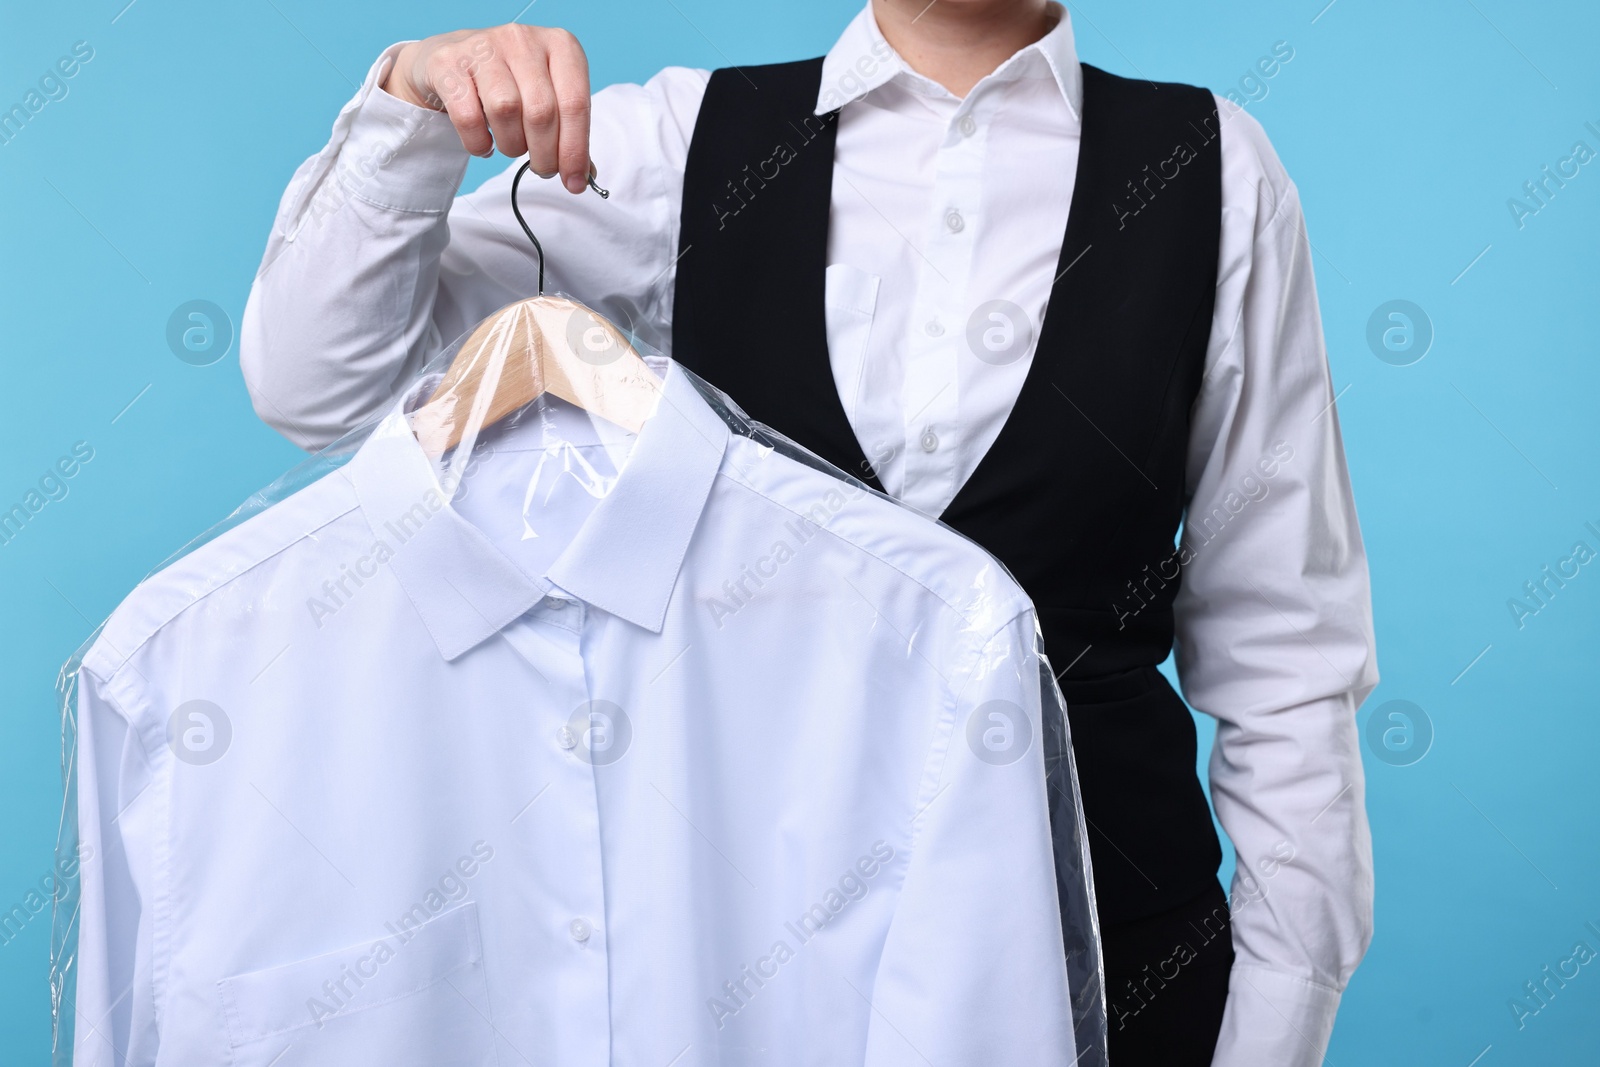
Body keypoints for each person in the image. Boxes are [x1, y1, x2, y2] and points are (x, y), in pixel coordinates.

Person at [239, 2, 1378, 1063]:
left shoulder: (1213, 164)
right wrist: (414, 107)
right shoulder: (675, 144)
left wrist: (1272, 1027)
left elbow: (1289, 654)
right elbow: (321, 384)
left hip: (1123, 956)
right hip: (755, 961)